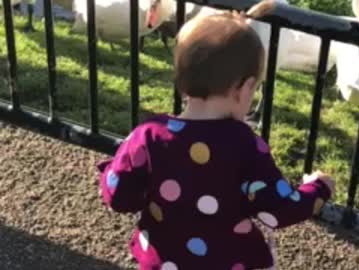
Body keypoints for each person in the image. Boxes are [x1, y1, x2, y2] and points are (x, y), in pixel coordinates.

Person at [96, 1, 335, 269]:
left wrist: (112, 170)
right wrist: (319, 187)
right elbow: (278, 211)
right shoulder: (245, 146)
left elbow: (118, 197)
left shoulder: (149, 135)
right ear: (243, 89)